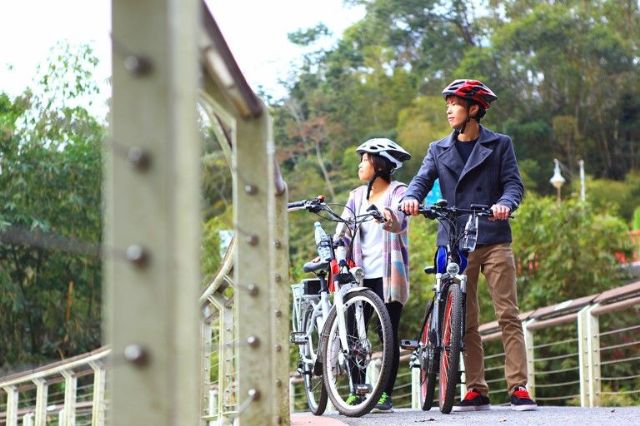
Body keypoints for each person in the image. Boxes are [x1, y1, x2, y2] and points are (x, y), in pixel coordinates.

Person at [399, 79, 537, 411]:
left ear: (473, 109)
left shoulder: (500, 145)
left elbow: (513, 185)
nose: (448, 109)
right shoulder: (437, 149)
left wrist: (505, 204)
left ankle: (518, 386)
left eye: (455, 104)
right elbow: (421, 179)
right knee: (466, 319)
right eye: (447, 104)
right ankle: (476, 387)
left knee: (508, 314)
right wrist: (411, 198)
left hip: (493, 238)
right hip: (455, 238)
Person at [339, 138, 411, 413]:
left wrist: (384, 215)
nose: (360, 165)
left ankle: (383, 395)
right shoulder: (356, 196)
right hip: (360, 276)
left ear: (379, 165)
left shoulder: (398, 191)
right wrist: (333, 248)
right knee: (353, 333)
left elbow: (399, 219)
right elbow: (344, 232)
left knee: (387, 334)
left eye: (365, 160)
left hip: (388, 276)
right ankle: (358, 391)